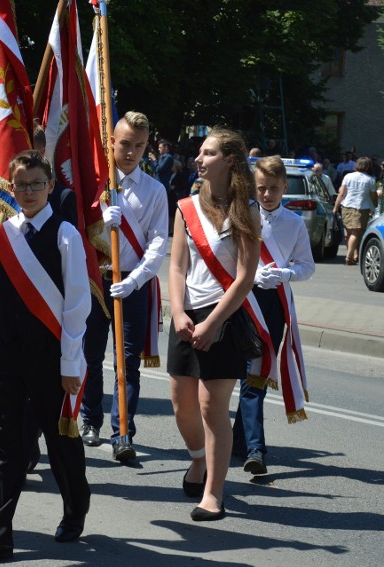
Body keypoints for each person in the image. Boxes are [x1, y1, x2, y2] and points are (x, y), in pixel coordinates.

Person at [0, 150, 91, 567]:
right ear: (12, 189)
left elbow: (76, 306)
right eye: (21, 185)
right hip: (7, 358)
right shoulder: (3, 236)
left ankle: (75, 507)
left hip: (52, 360)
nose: (29, 192)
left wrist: (71, 365)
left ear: (51, 186)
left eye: (37, 183)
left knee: (61, 443)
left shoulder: (66, 234)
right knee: (5, 448)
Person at [167, 127, 261, 522]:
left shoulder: (248, 210)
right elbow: (175, 266)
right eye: (199, 153)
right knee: (181, 406)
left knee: (211, 405)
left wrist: (212, 323)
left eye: (208, 154)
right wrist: (177, 312)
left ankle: (213, 494)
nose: (199, 159)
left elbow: (245, 277)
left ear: (230, 161)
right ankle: (198, 459)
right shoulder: (186, 207)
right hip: (186, 314)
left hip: (223, 316)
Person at [84, 111, 168, 461]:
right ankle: (90, 421)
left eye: (139, 145)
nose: (131, 152)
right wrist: (97, 220)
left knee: (127, 363)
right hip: (95, 282)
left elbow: (159, 241)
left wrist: (134, 281)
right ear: (112, 143)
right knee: (89, 357)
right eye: (125, 144)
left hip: (133, 286)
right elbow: (73, 232)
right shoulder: (96, 186)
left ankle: (123, 432)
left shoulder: (155, 190)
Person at [232, 156, 314, 474]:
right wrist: (252, 277)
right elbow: (228, 263)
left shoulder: (294, 224)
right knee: (250, 374)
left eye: (274, 189)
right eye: (262, 188)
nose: (267, 195)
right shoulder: (243, 217)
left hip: (276, 303)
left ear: (284, 188)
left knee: (257, 374)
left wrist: (285, 274)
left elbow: (307, 266)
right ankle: (254, 448)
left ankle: (245, 445)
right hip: (246, 300)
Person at [333, 157, 378, 266]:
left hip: (346, 206)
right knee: (356, 233)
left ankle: (353, 255)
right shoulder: (370, 180)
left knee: (348, 233)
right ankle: (349, 256)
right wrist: (374, 206)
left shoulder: (348, 176)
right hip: (361, 208)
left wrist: (336, 207)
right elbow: (373, 196)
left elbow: (342, 193)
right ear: (368, 166)